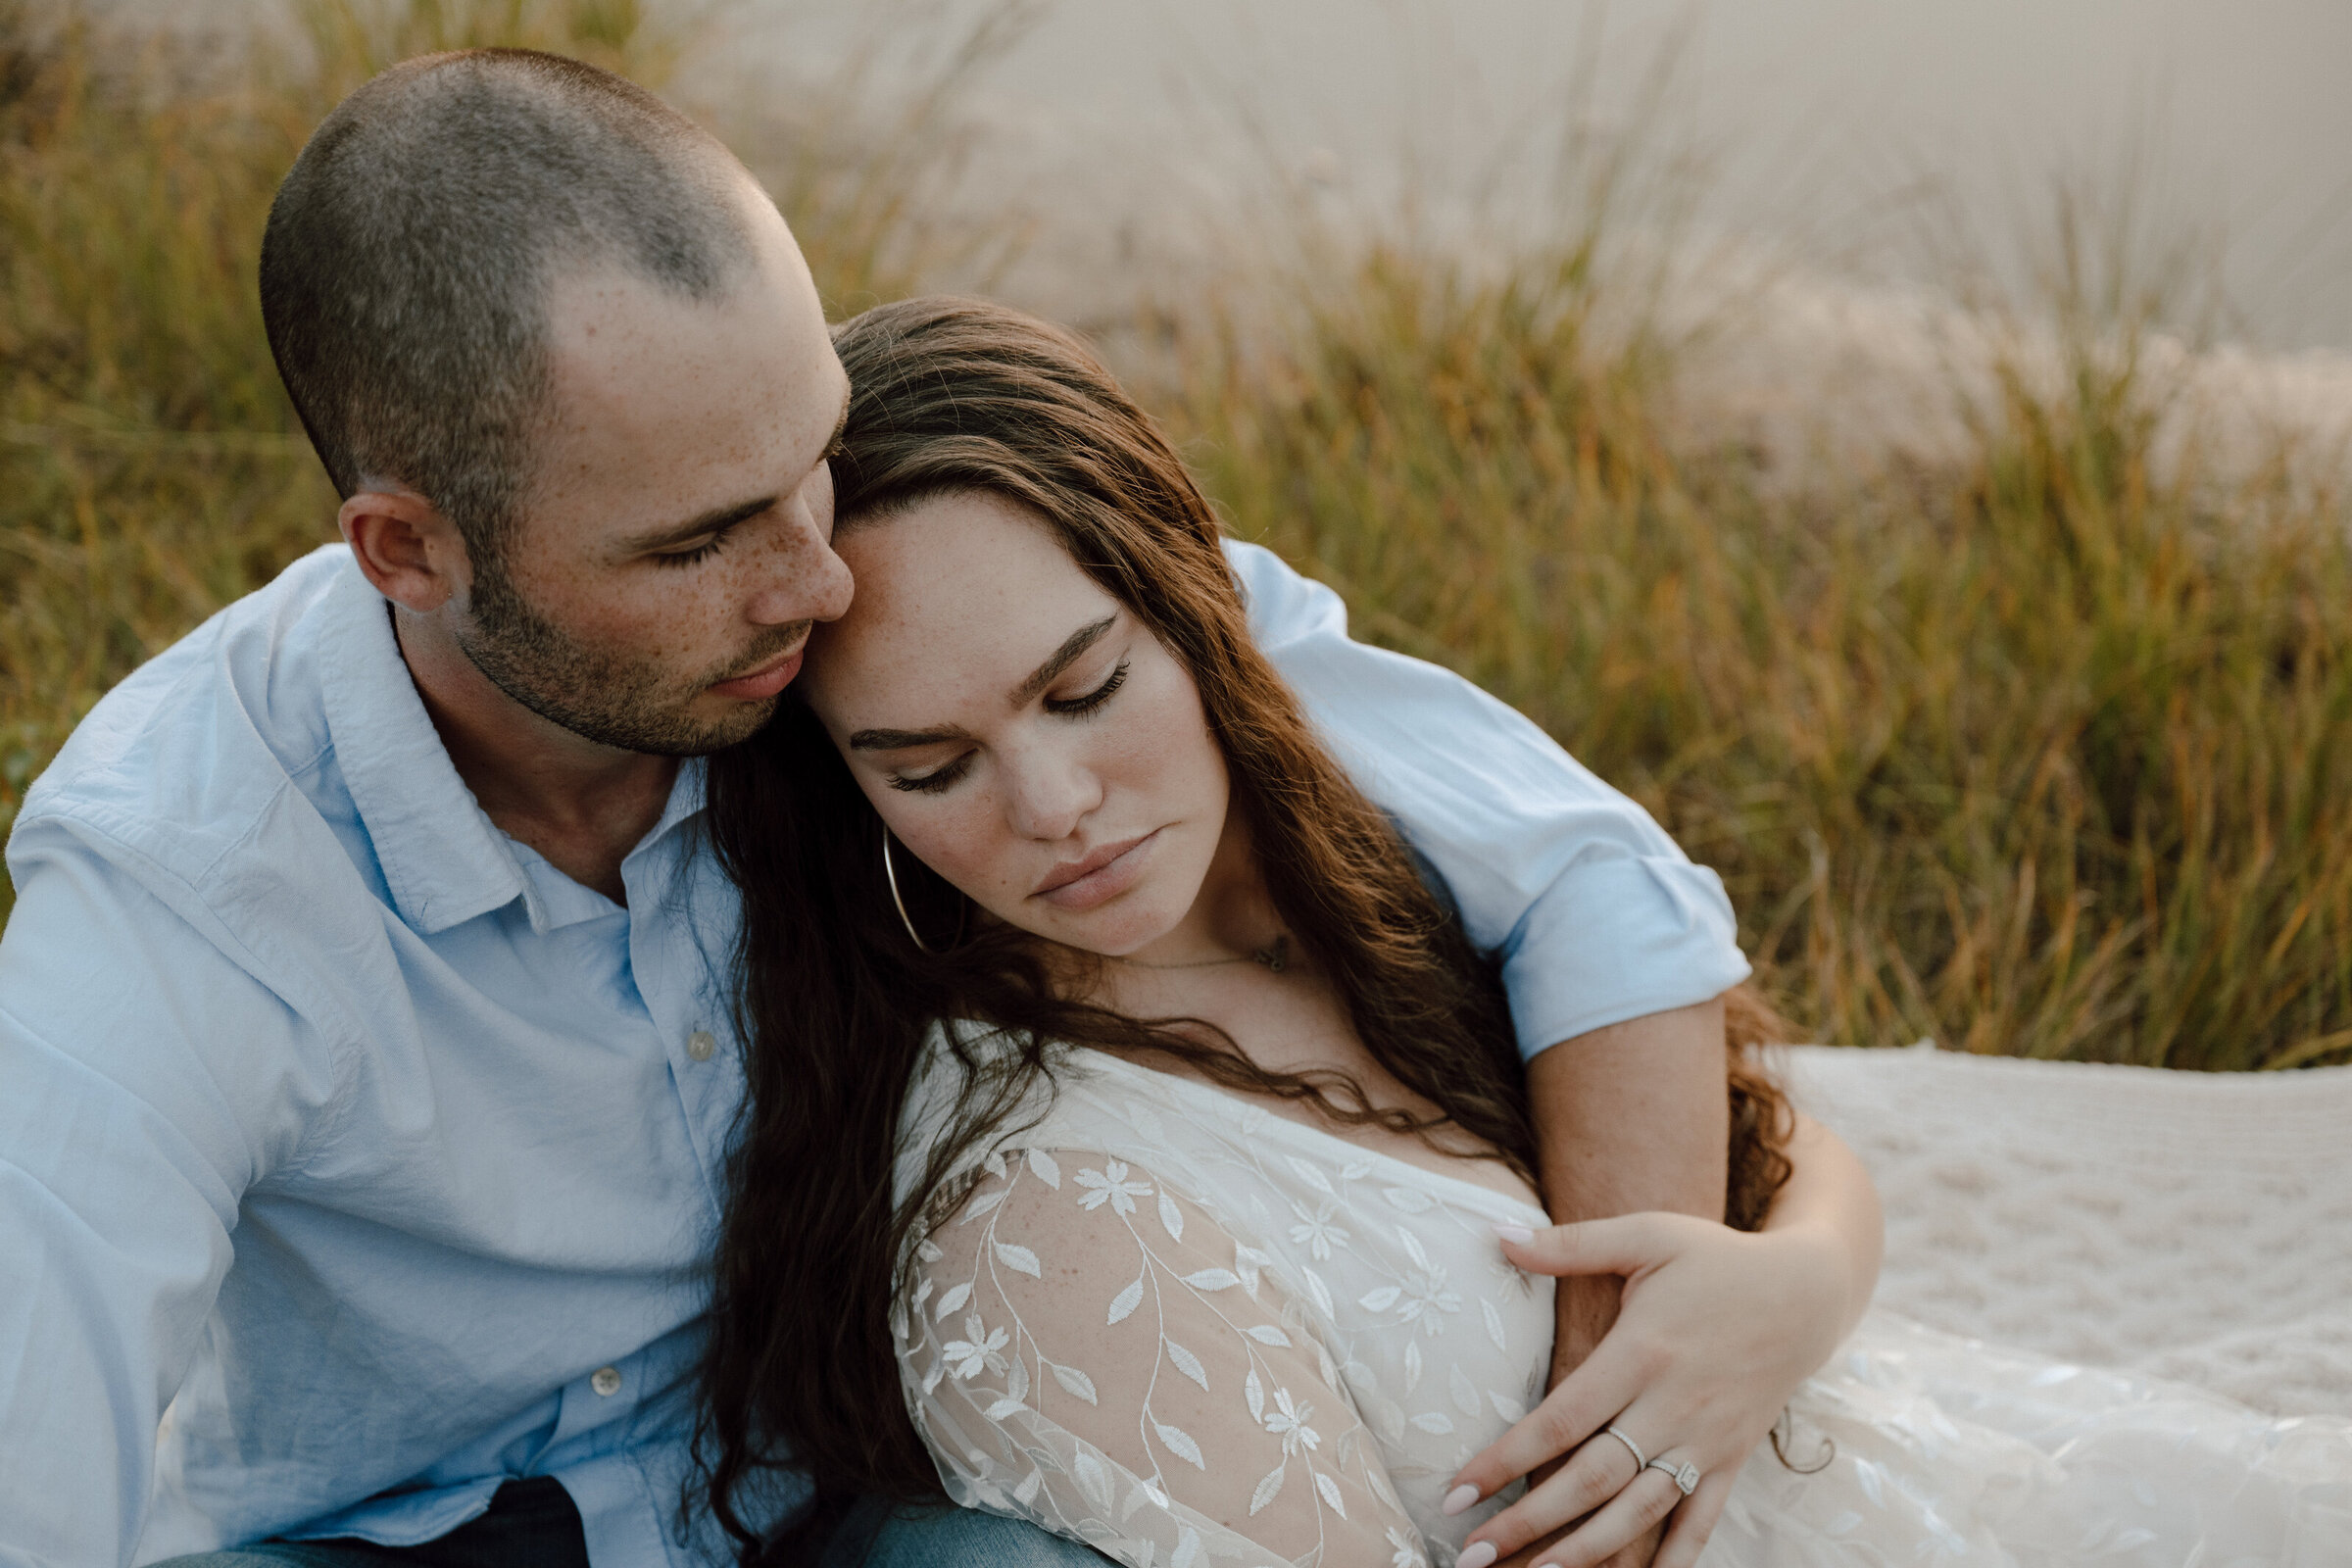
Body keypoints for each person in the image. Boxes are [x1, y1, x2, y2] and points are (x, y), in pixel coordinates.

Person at [0, 49, 1778, 1568]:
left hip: (853, 1506)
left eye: (812, 459)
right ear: (411, 553)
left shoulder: (873, 626)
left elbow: (1590, 880)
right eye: (701, 540)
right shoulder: (183, 892)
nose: (814, 583)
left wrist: (1615, 1427)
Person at [699, 295, 2352, 1568]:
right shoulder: (1051, 1226)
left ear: (1208, 613)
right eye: (932, 766)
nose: (1053, 801)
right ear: (849, 792)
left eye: (1086, 687)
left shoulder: (1338, 880)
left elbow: (1765, 1132)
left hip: (1952, 1480)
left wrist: (1789, 1296)